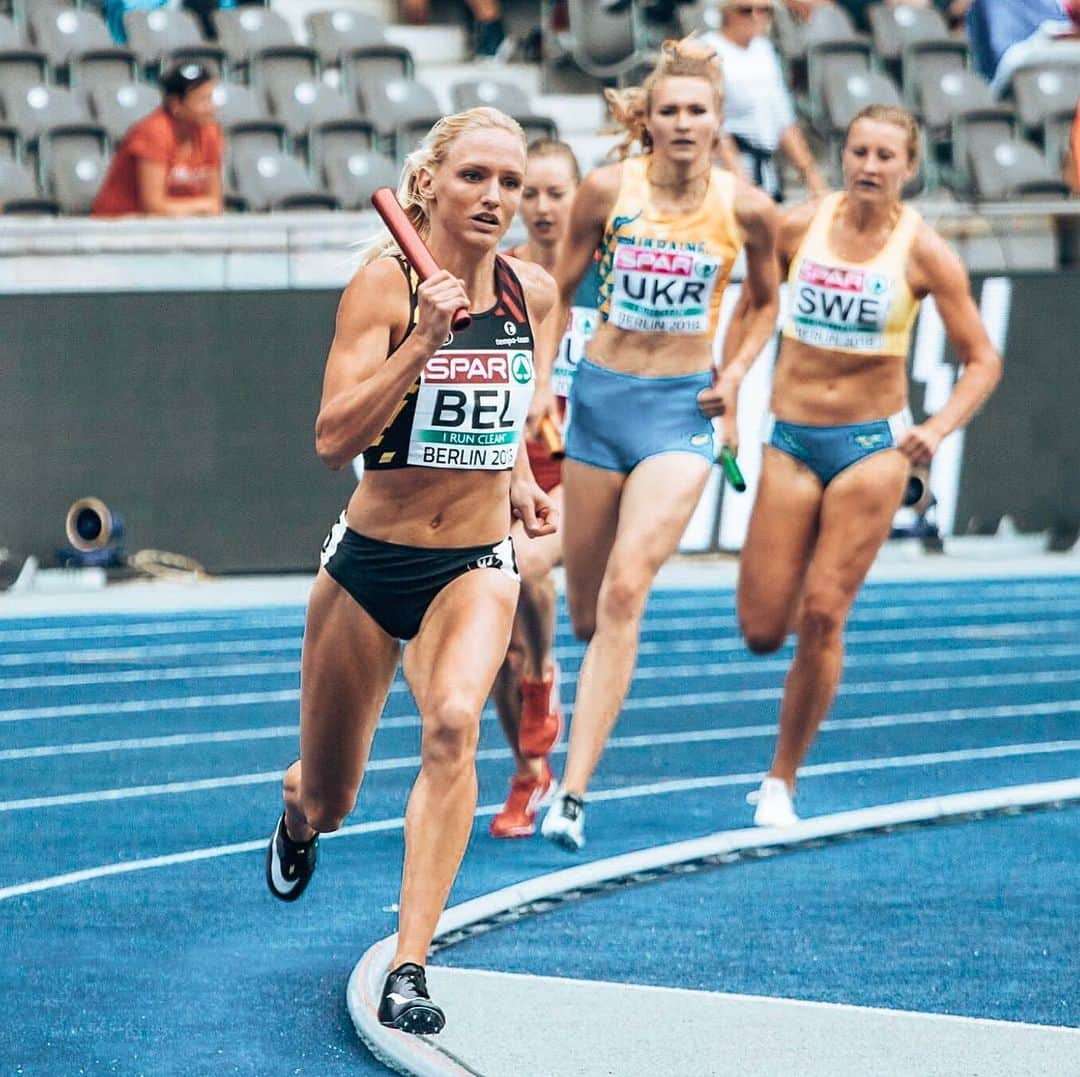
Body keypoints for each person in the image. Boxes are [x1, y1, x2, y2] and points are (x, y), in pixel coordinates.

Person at [263, 106, 558, 1034]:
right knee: (334, 793)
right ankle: (298, 810)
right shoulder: (382, 287)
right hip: (370, 562)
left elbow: (506, 403)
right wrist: (425, 341)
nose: (497, 198)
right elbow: (330, 438)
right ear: (425, 184)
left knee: (455, 724)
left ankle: (411, 963)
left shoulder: (531, 293)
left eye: (510, 183)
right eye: (476, 177)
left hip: (474, 560)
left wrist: (514, 480)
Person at [534, 39, 781, 851]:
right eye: (669, 110)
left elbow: (764, 304)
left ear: (718, 122)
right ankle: (575, 684)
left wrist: (735, 371)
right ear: (649, 119)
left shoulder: (746, 207)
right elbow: (559, 294)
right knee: (582, 613)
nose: (683, 123)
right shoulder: (608, 190)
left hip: (680, 414)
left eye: (698, 111)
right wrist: (542, 384)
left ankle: (571, 793)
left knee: (625, 594)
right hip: (602, 405)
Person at [732, 104, 1002, 827]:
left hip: (871, 448)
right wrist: (730, 384)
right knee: (762, 628)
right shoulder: (800, 225)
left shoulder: (924, 252)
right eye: (860, 151)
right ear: (843, 155)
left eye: (887, 155)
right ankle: (809, 562)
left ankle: (780, 780)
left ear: (909, 168)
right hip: (789, 438)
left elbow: (983, 357)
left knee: (824, 611)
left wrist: (939, 428)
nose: (871, 166)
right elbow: (756, 303)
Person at [489, 138, 601, 839]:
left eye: (557, 192)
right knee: (494, 637)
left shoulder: (610, 276)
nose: (541, 206)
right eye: (529, 193)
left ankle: (542, 682)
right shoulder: (500, 275)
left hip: (584, 472)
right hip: (505, 471)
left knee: (528, 567)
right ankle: (530, 772)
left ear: (581, 198)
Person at [700, 0, 828, 202]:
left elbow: (784, 120)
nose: (756, 16)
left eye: (764, 10)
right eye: (745, 10)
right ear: (725, 12)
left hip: (765, 174)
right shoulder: (708, 50)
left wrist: (811, 175)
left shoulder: (764, 49)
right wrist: (742, 182)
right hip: (724, 175)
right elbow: (713, 125)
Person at [91, 62, 223, 219]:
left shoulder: (209, 132)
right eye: (203, 101)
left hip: (173, 226)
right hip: (120, 225)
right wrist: (201, 205)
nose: (211, 108)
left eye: (211, 99)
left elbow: (215, 202)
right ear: (176, 106)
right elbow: (153, 206)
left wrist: (204, 205)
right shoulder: (153, 132)